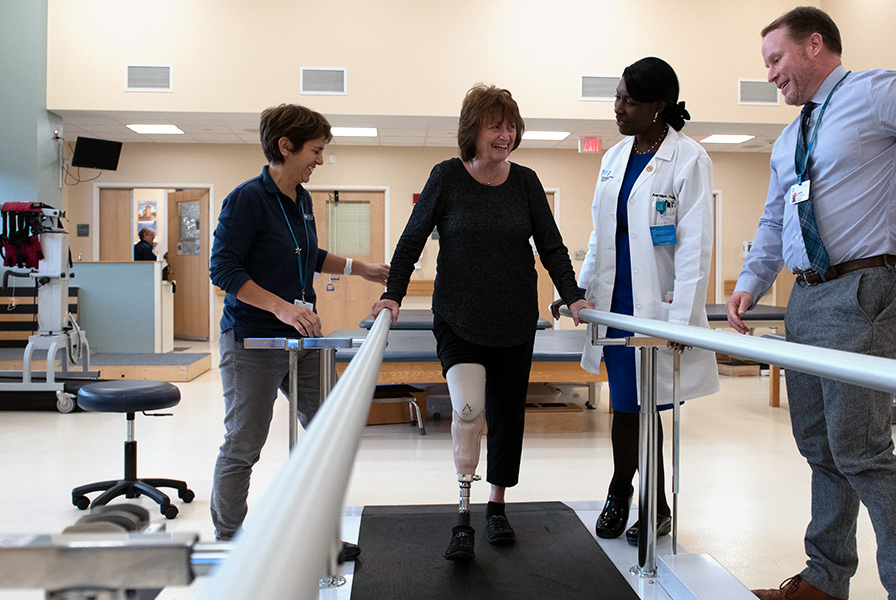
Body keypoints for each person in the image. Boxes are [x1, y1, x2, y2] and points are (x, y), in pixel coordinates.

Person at [725, 7, 896, 600]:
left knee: (863, 451)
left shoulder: (876, 93)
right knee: (821, 449)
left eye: (776, 59)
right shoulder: (791, 136)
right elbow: (776, 218)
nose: (771, 73)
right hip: (807, 297)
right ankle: (825, 580)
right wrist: (751, 279)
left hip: (865, 290)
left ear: (815, 45)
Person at [371, 84, 592, 561]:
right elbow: (412, 240)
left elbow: (551, 246)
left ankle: (496, 505)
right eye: (496, 125)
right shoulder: (446, 177)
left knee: (509, 416)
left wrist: (572, 296)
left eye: (511, 125)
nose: (505, 134)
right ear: (473, 129)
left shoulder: (526, 182)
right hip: (458, 317)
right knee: (469, 411)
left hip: (515, 319)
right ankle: (463, 513)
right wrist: (392, 295)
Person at [208, 104, 389, 545]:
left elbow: (309, 253)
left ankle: (320, 536)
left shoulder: (301, 199)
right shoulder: (247, 199)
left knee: (328, 431)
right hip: (251, 339)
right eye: (315, 150)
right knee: (244, 443)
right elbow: (223, 269)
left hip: (302, 339)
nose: (320, 160)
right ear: (285, 146)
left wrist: (362, 269)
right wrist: (282, 308)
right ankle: (229, 541)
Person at [557, 57, 718, 546]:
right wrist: (579, 291)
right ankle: (639, 497)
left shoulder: (689, 158)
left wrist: (681, 321)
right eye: (617, 97)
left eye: (629, 99)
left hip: (658, 307)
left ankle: (633, 496)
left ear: (658, 106)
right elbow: (599, 233)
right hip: (614, 300)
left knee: (641, 407)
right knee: (629, 406)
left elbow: (695, 246)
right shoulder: (613, 158)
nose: (618, 108)